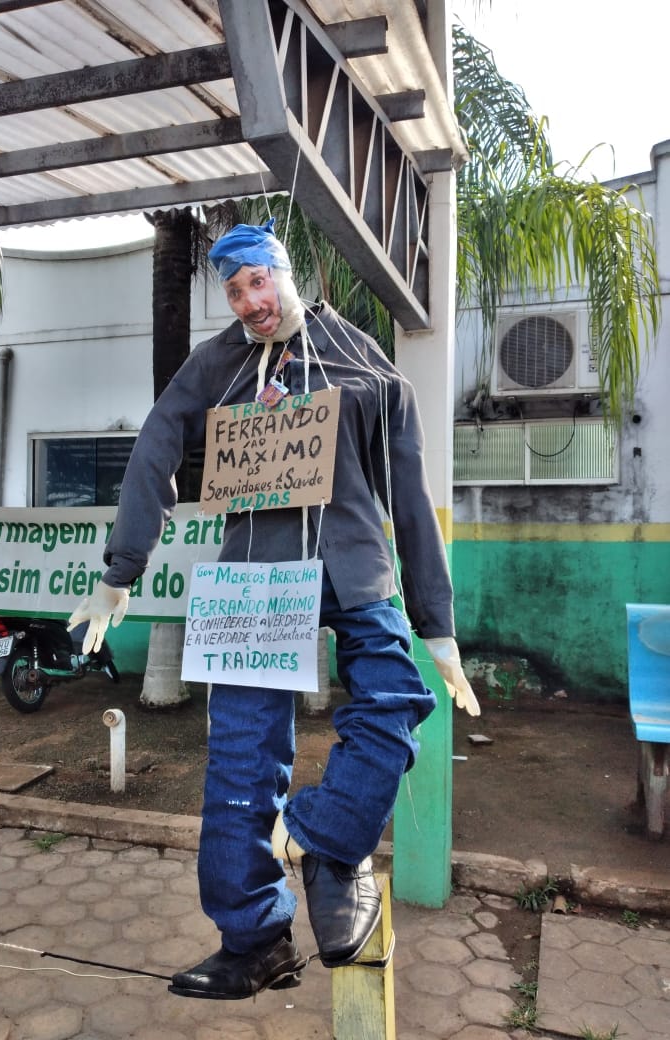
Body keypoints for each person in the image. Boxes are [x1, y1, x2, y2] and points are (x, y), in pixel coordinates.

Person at [68, 218, 479, 1000]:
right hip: (254, 581)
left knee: (394, 701)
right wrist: (120, 570)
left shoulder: (363, 358)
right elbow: (157, 443)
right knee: (239, 763)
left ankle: (327, 839)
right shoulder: (214, 366)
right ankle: (253, 941)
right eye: (232, 290)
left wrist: (438, 620)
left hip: (355, 566)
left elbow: (412, 494)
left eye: (258, 281)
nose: (250, 301)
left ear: (286, 273)